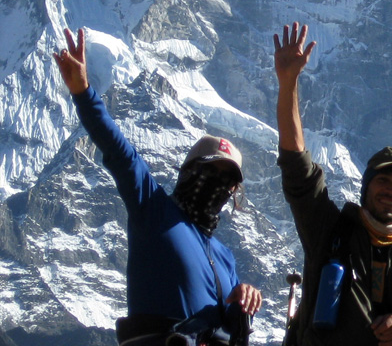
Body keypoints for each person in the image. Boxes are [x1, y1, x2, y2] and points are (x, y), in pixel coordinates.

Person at [52, 28, 262, 345]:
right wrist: (83, 92)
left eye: (227, 181)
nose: (218, 185)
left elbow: (226, 321)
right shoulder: (152, 208)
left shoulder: (225, 257)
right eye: (210, 172)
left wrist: (241, 298)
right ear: (188, 171)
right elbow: (119, 152)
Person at [273, 22, 392, 346]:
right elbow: (297, 168)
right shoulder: (329, 229)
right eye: (384, 180)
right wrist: (288, 82)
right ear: (366, 188)